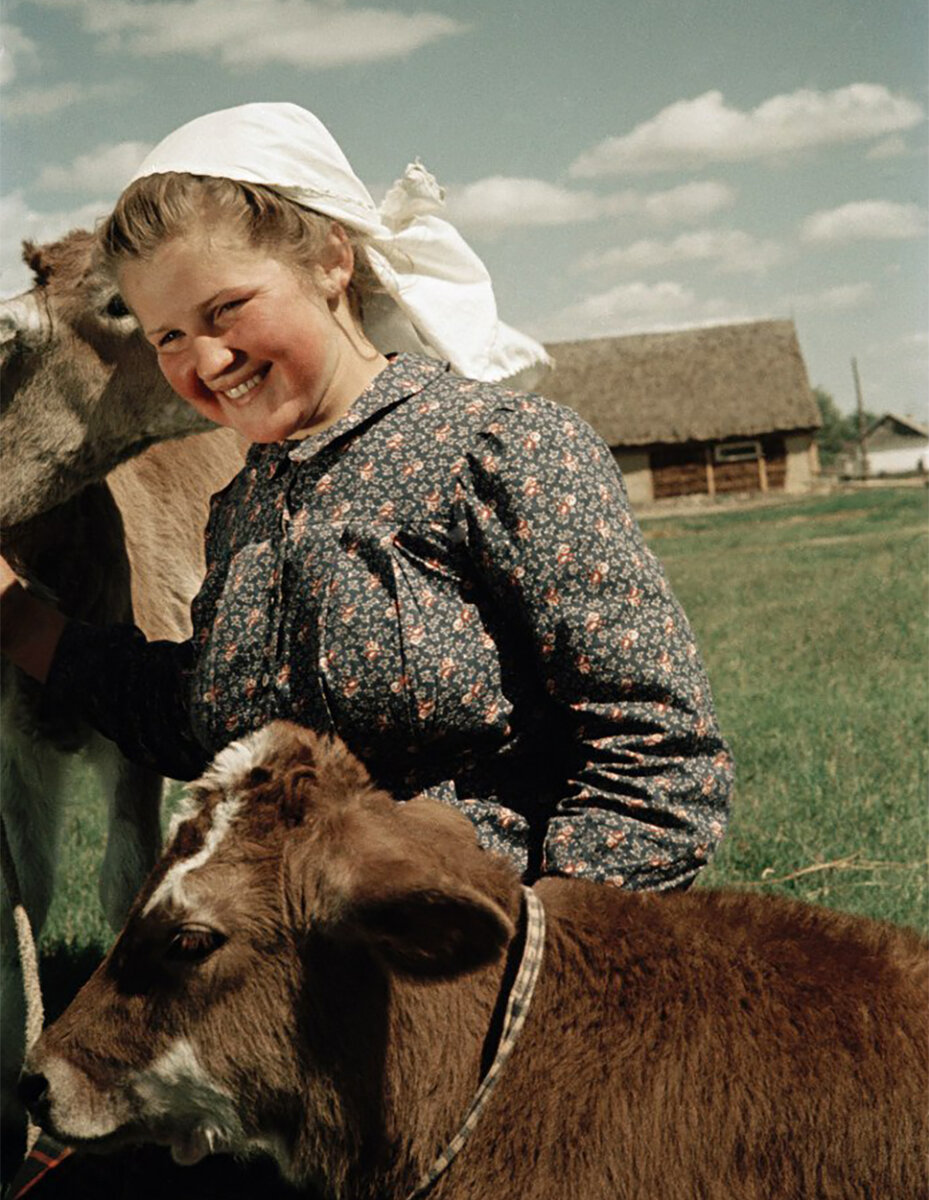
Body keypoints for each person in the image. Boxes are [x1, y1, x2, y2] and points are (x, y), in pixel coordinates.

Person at [0, 103, 732, 890]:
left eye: (227, 308)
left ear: (330, 262)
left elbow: (661, 763)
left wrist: (531, 961)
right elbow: (196, 720)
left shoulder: (501, 450)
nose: (205, 360)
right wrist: (16, 610)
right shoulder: (247, 503)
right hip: (285, 962)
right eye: (167, 336)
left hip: (466, 962)